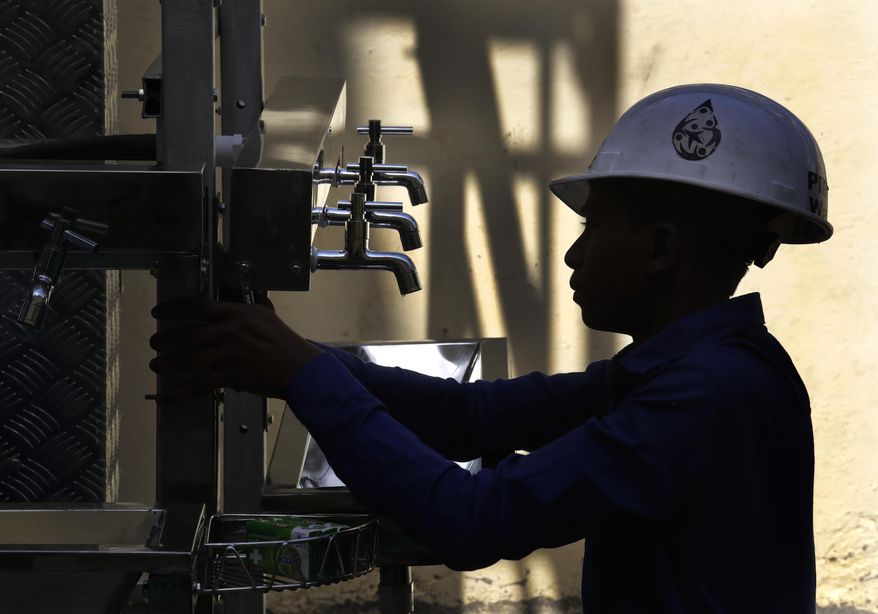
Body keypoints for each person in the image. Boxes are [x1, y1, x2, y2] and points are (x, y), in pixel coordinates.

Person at [150, 84, 831, 613]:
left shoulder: (704, 396)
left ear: (660, 248)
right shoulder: (699, 367)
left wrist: (301, 374)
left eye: (593, 228)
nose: (573, 253)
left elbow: (473, 521)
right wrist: (298, 358)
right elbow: (470, 416)